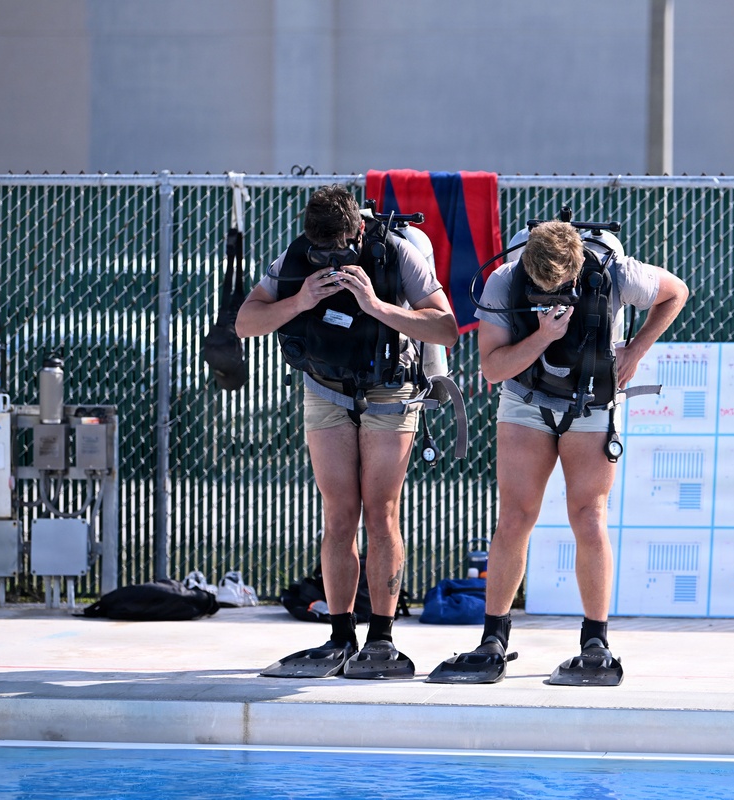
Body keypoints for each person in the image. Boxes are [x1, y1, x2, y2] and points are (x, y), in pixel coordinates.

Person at [427, 219, 688, 685]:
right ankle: (494, 638)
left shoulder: (613, 272)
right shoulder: (505, 282)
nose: (551, 298)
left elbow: (677, 292)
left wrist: (637, 350)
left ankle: (595, 641)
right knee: (515, 516)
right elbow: (491, 368)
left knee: (589, 515)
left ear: (577, 267)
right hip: (526, 401)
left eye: (560, 289)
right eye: (542, 291)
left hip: (591, 402)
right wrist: (544, 335)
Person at [236, 185, 459, 679]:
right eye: (322, 251)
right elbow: (247, 323)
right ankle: (340, 634)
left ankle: (380, 637)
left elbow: (445, 328)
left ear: (358, 231)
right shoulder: (296, 255)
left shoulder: (396, 252)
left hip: (389, 390)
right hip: (326, 389)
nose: (331, 259)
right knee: (338, 515)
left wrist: (376, 305)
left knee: (381, 512)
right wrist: (300, 299)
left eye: (340, 249)